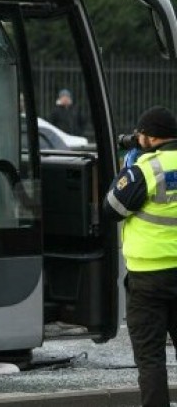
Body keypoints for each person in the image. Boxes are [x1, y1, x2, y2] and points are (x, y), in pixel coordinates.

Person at [102, 105, 177, 407]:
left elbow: (111, 209)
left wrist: (126, 170)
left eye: (140, 134)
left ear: (150, 137)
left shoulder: (145, 169)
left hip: (149, 282)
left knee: (151, 359)